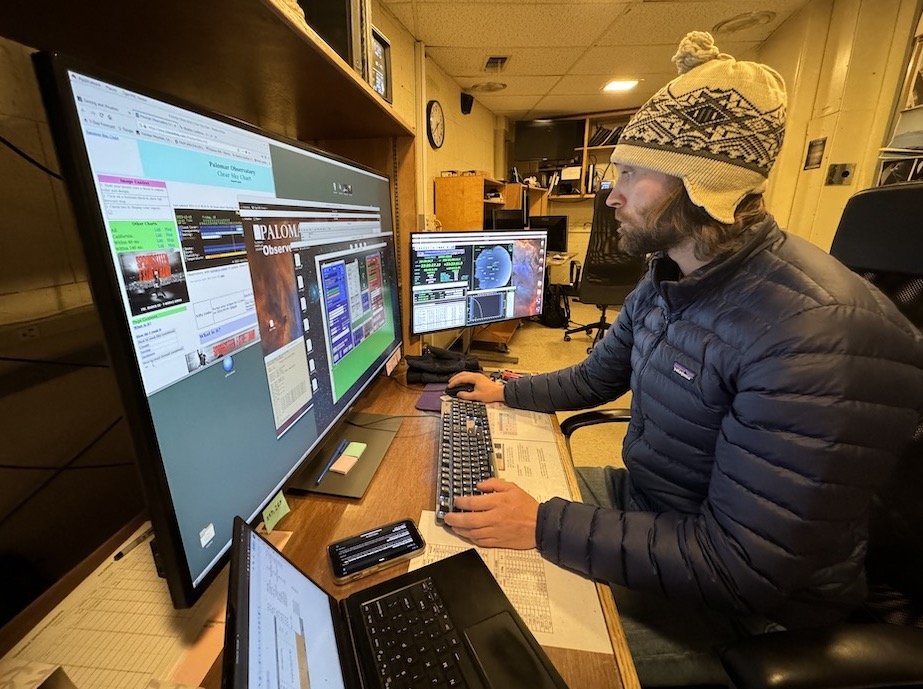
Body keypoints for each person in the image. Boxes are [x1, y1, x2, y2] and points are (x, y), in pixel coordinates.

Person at [444, 31, 923, 685]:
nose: (611, 195)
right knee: (453, 549)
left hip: (753, 608)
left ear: (703, 182)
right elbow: (597, 374)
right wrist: (506, 391)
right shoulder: (673, 271)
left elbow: (741, 562)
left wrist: (543, 524)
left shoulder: (812, 336)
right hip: (653, 511)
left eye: (633, 173)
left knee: (481, 656)